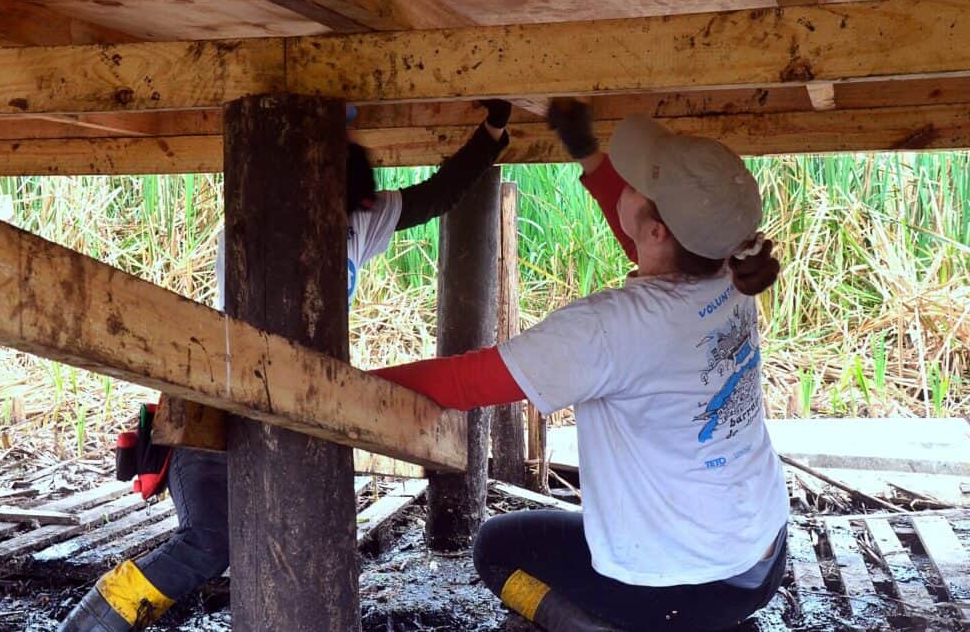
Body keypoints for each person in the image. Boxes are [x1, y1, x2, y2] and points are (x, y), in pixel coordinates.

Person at [59, 100, 513, 631]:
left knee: (297, 540)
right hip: (221, 409)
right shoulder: (255, 223)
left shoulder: (357, 220)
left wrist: (491, 134)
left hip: (293, 419)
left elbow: (438, 194)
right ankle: (87, 624)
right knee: (208, 544)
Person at [370, 100, 788, 631]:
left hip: (688, 588)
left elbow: (460, 383)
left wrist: (340, 384)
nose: (628, 189)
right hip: (761, 557)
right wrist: (586, 152)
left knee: (497, 549)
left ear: (658, 231)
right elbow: (651, 236)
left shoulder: (608, 328)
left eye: (639, 186)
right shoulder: (731, 271)